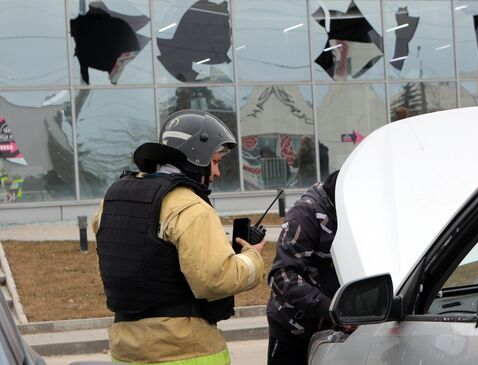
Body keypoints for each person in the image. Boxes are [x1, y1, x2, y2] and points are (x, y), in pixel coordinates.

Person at [91, 110, 266, 365]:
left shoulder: (112, 200)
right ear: (198, 157)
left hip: (125, 351)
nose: (216, 172)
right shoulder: (191, 207)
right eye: (215, 161)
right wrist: (252, 258)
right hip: (185, 350)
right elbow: (214, 280)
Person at [266, 170, 340, 365]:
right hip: (293, 331)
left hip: (339, 332)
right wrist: (331, 308)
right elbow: (281, 277)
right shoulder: (306, 212)